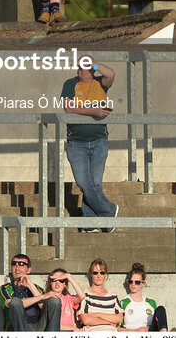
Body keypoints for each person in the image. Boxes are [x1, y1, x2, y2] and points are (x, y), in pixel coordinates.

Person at [61, 56, 118, 232]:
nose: (81, 71)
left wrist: (93, 63)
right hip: (76, 143)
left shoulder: (100, 83)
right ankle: (109, 212)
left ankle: (89, 222)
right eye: (79, 67)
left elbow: (111, 73)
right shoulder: (70, 84)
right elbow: (68, 108)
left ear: (92, 69)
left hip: (98, 140)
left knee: (95, 183)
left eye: (84, 68)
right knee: (84, 183)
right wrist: (92, 111)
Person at [0, 253, 61, 331]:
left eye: (21, 264)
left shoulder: (36, 288)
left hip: (38, 327)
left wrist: (30, 285)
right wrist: (42, 297)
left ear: (29, 269)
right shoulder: (4, 288)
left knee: (54, 301)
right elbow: (9, 303)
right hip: (16, 328)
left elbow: (44, 307)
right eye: (14, 264)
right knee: (15, 301)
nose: (17, 268)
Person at [119, 263, 169, 332]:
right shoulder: (123, 302)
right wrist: (135, 331)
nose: (133, 284)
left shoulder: (151, 302)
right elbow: (117, 328)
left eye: (137, 282)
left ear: (143, 283)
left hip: (149, 333)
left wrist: (147, 329)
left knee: (161, 309)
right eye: (130, 281)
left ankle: (164, 333)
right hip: (131, 334)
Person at [77, 258, 123, 331]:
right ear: (91, 274)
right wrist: (109, 322)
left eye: (102, 273)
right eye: (95, 273)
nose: (99, 276)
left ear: (106, 275)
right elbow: (86, 320)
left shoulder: (113, 296)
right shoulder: (85, 295)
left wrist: (97, 314)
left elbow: (119, 318)